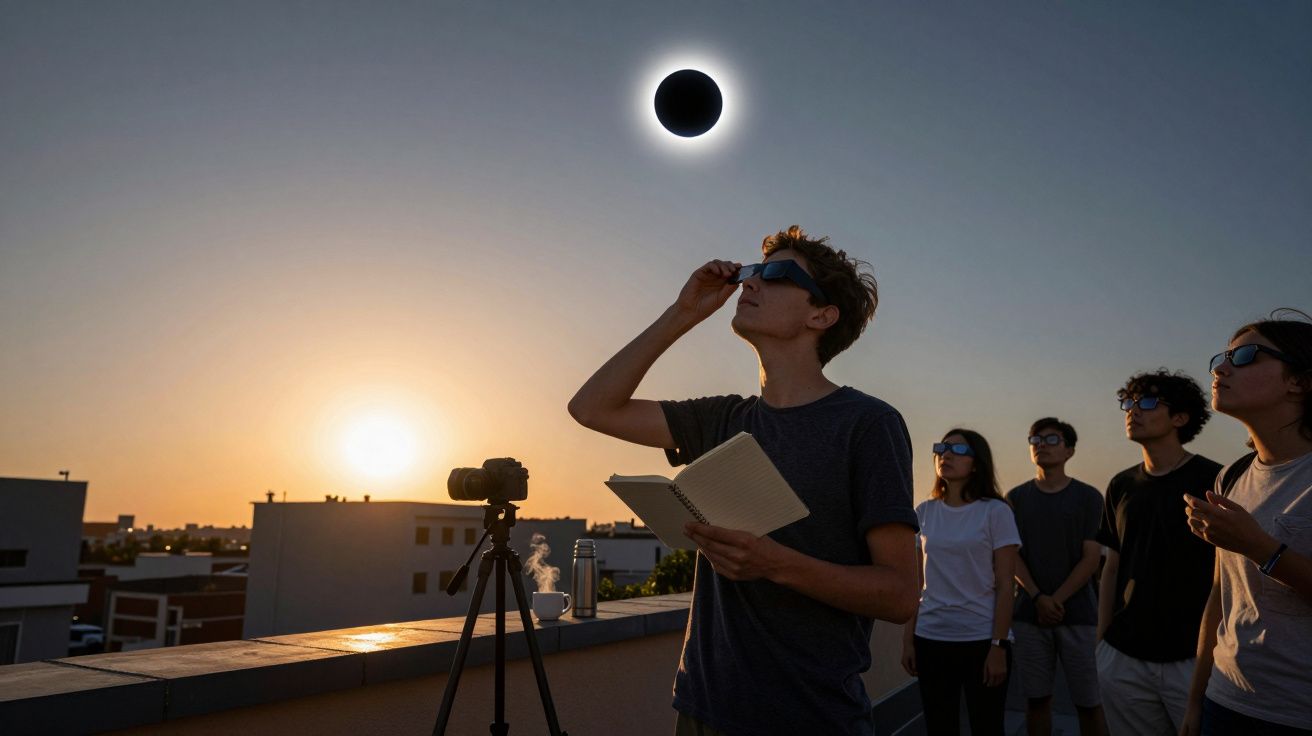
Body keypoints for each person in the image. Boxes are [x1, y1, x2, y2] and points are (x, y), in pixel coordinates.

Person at [568, 226, 920, 736]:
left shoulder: (868, 424)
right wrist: (682, 314)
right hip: (702, 706)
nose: (750, 283)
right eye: (753, 272)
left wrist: (774, 564)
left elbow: (900, 595)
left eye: (776, 274)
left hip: (810, 717)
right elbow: (591, 407)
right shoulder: (721, 418)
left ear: (821, 315)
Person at [1180, 314, 1312, 735]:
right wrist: (1196, 702)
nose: (1220, 368)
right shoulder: (1232, 475)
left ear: (1300, 381)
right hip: (1226, 699)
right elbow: (1221, 599)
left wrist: (1260, 548)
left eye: (1246, 356)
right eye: (1222, 357)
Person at [1096, 369, 1222, 735]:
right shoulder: (1120, 484)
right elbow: (1112, 566)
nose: (1133, 410)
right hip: (1124, 655)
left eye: (1147, 402)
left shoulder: (1214, 480)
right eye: (1129, 402)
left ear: (1180, 418)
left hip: (1194, 657)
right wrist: (1102, 642)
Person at [901, 429, 1020, 736]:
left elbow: (1007, 585)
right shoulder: (923, 512)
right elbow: (916, 584)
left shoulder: (996, 511)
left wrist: (998, 646)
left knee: (987, 726)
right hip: (931, 638)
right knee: (940, 727)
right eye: (941, 448)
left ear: (977, 464)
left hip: (981, 639)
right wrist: (908, 640)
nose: (946, 454)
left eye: (956, 449)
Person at [1007, 417, 1108, 736]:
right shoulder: (1016, 498)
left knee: (1089, 702)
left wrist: (1055, 600)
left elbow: (1091, 558)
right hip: (1028, 615)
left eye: (1051, 440)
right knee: (1036, 700)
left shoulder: (1089, 497)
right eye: (1035, 440)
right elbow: (1012, 557)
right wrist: (1038, 597)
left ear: (1069, 451)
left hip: (1077, 615)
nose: (1041, 446)